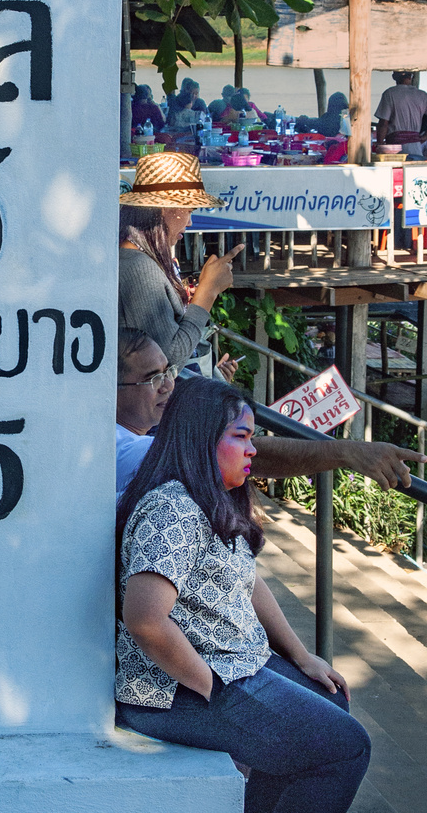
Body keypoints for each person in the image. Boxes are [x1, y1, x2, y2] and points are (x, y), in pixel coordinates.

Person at [115, 376, 371, 813]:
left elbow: (247, 579)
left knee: (330, 698)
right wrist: (210, 687)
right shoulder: (173, 509)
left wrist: (301, 655)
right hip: (173, 692)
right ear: (201, 439)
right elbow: (145, 619)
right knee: (347, 747)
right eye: (242, 437)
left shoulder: (209, 498)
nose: (253, 450)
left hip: (231, 665)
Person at [115, 327, 426, 497]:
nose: (168, 385)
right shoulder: (122, 450)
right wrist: (347, 453)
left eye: (168, 371)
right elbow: (238, 455)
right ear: (110, 390)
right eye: (151, 378)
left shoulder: (139, 437)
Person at [119, 152, 242, 373]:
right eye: (189, 210)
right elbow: (167, 361)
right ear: (165, 209)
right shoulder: (139, 268)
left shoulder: (139, 259)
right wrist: (208, 292)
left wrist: (210, 374)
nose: (190, 221)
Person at [375, 71, 427, 158]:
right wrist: (425, 137)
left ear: (394, 77)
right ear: (411, 77)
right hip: (416, 148)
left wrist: (380, 144)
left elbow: (383, 123)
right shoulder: (422, 95)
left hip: (395, 150)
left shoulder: (390, 93)